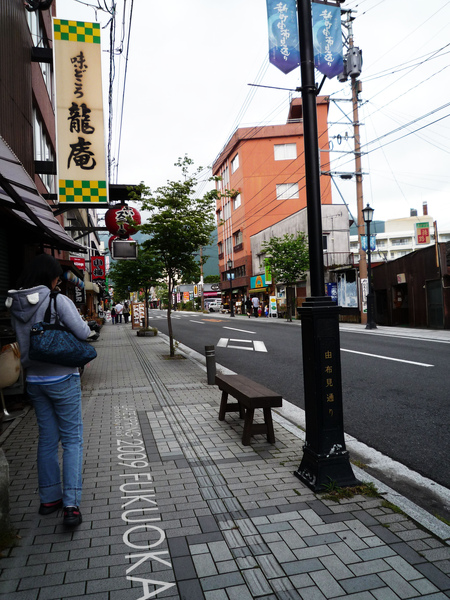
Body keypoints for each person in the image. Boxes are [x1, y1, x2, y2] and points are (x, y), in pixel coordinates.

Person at [6, 254, 94, 528]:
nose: (58, 281)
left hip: (34, 381)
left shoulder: (14, 303)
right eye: (57, 277)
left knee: (46, 440)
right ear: (50, 277)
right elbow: (81, 332)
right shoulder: (57, 299)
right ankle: (71, 505)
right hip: (62, 378)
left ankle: (49, 498)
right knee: (72, 441)